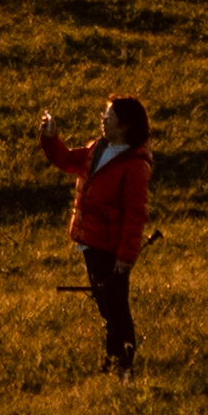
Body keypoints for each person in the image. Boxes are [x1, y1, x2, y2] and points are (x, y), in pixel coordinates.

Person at [34, 92, 153, 371]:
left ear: (124, 125)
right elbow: (66, 161)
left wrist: (125, 257)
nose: (103, 119)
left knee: (114, 305)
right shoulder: (98, 148)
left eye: (108, 116)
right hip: (91, 241)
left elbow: (136, 215)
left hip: (110, 246)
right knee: (105, 302)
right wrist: (51, 138)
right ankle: (115, 358)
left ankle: (121, 358)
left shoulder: (135, 165)